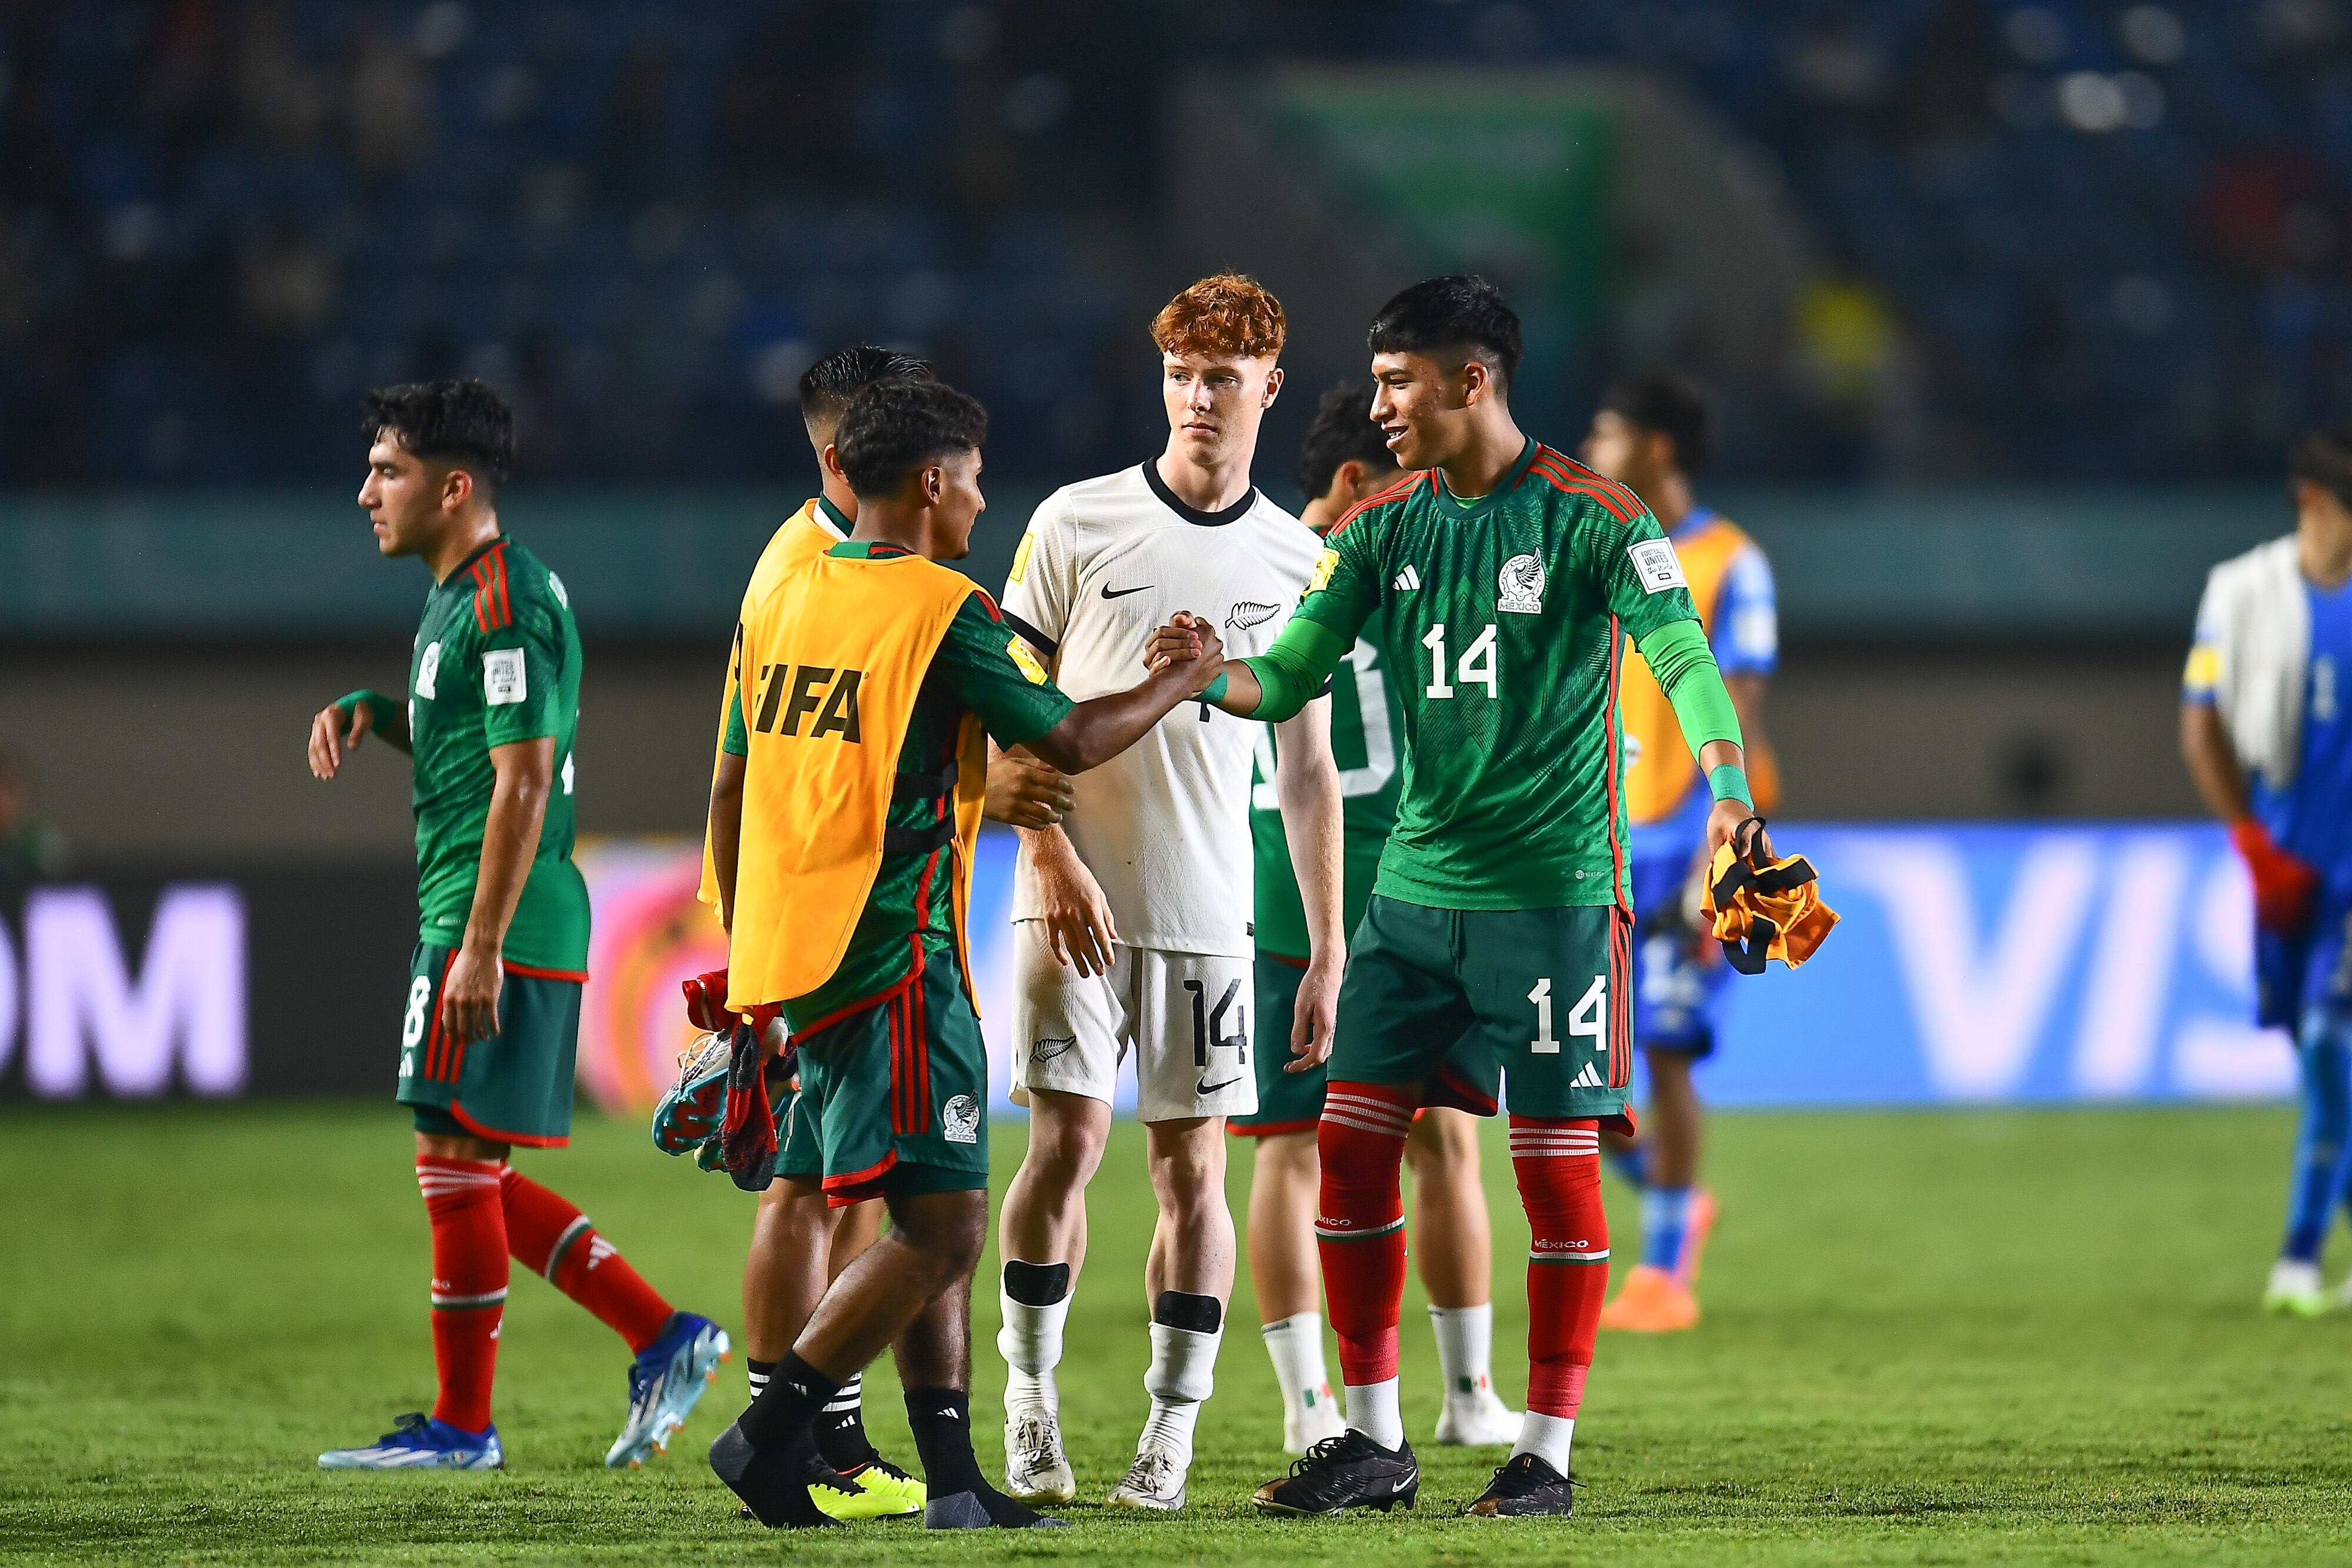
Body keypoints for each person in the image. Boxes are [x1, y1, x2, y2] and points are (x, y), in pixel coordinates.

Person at [1158, 276, 1766, 1520]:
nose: (1378, 405)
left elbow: (1681, 654)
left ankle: (1541, 1446)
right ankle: (1373, 1439)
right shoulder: (1378, 525)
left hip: (1549, 901)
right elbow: (1289, 677)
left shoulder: (1596, 518)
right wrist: (1204, 676)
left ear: (1471, 380)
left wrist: (1723, 788)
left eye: (1398, 382)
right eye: (1377, 383)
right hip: (1408, 903)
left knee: (1550, 1175)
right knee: (1346, 1150)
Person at [703, 378, 1229, 1531]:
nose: (986, 496)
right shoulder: (942, 609)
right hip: (893, 949)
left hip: (799, 950)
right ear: (932, 481)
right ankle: (767, 1432)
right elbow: (1071, 736)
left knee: (925, 1208)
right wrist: (1181, 677)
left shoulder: (788, 591)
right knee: (945, 1226)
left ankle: (950, 1483)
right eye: (977, 474)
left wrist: (746, 960)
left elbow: (739, 778)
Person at [307, 379, 726, 1472]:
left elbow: (525, 780)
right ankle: (662, 1335)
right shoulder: (461, 598)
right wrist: (375, 715)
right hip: (481, 910)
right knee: (468, 1171)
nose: (367, 494)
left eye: (387, 472)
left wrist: (481, 944)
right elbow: (472, 745)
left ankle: (465, 1426)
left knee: (451, 1162)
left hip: (493, 915)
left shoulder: (505, 600)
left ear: (454, 487)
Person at [690, 345, 1071, 1520]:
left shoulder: (809, 579)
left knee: (893, 1195)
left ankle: (941, 1474)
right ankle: (782, 1426)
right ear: (856, 458)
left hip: (847, 938)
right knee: (897, 1211)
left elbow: (789, 765)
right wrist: (754, 960)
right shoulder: (825, 579)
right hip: (868, 943)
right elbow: (750, 783)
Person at [990, 275, 1345, 1513]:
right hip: (1071, 893)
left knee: (1194, 1172)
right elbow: (1004, 720)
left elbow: (1308, 774)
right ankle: (1027, 1403)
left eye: (1222, 377)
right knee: (1064, 1143)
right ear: (1161, 381)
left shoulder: (1299, 556)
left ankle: (1169, 1428)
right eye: (1181, 374)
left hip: (1209, 910)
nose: (1199, 396)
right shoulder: (1072, 523)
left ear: (1268, 387)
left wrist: (1328, 946)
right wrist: (1044, 856)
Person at [1237, 380, 1522, 1454]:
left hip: (1273, 890)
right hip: (1416, 884)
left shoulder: (1245, 562)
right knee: (1442, 1142)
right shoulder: (1405, 559)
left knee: (1288, 1149)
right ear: (1355, 479)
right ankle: (1468, 1396)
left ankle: (1310, 1409)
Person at [1578, 373, 1780, 1334]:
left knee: (1662, 1048)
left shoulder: (1733, 561)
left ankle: (1662, 1271)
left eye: (1607, 431)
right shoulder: (1594, 543)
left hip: (1687, 845)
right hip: (1595, 838)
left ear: (1654, 447)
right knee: (1573, 1068)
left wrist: (1726, 859)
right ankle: (1674, 1193)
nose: (1591, 444)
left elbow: (1741, 708)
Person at [2181, 423, 2352, 1316]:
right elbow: (2200, 722)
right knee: (2314, 1051)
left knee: (2331, 1043)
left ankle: (2298, 1257)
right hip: (2288, 871)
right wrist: (2249, 841)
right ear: (2315, 501)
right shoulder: (2242, 592)